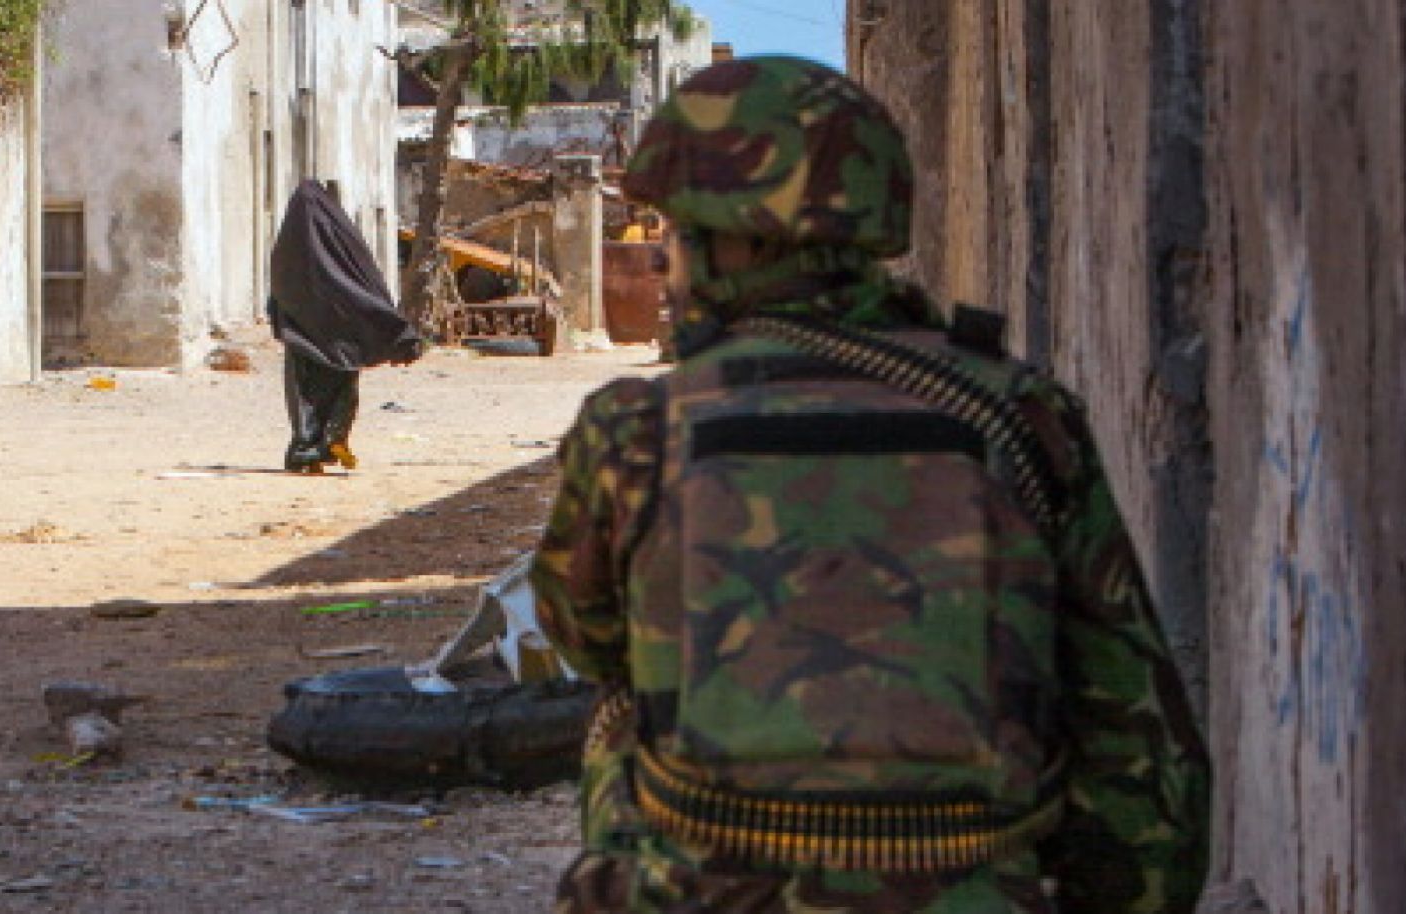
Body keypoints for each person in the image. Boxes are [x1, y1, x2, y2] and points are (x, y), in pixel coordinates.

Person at [530, 57, 1210, 914]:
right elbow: (1138, 733)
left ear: (731, 242)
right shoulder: (1016, 414)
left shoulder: (636, 431)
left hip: (700, 891)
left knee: (624, 703)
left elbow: (583, 637)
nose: (667, 262)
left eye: (678, 232)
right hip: (979, 892)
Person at [267, 181, 424, 473]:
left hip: (303, 337)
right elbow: (365, 282)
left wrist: (283, 322)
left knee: (304, 393)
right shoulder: (341, 243)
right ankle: (330, 441)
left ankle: (305, 448)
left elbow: (278, 291)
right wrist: (393, 329)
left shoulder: (287, 249)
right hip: (340, 336)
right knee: (340, 387)